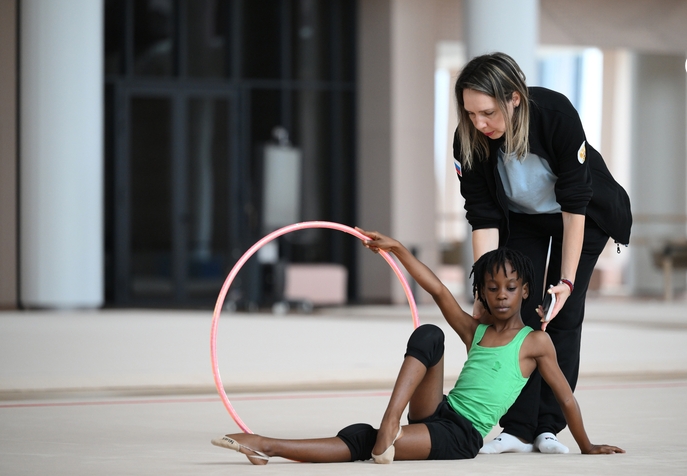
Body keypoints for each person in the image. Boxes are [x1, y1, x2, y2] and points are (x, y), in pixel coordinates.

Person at [211, 229, 624, 465]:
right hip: (440, 410)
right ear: (482, 291)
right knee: (430, 333)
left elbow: (566, 399)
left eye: (510, 288)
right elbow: (438, 290)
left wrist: (587, 445)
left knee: (364, 439)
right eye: (492, 288)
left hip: (464, 436)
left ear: (525, 290)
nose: (501, 296)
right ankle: (391, 420)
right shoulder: (476, 330)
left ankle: (266, 445)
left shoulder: (535, 343)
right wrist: (399, 250)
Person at [453, 52, 632, 454]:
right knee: (514, 311)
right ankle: (516, 429)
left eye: (487, 113)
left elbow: (575, 206)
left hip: (582, 217)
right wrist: (484, 294)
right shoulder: (469, 140)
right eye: (470, 113)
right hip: (524, 219)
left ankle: (547, 428)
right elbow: (482, 218)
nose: (479, 123)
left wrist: (565, 282)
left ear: (514, 98)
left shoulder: (555, 114)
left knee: (559, 313)